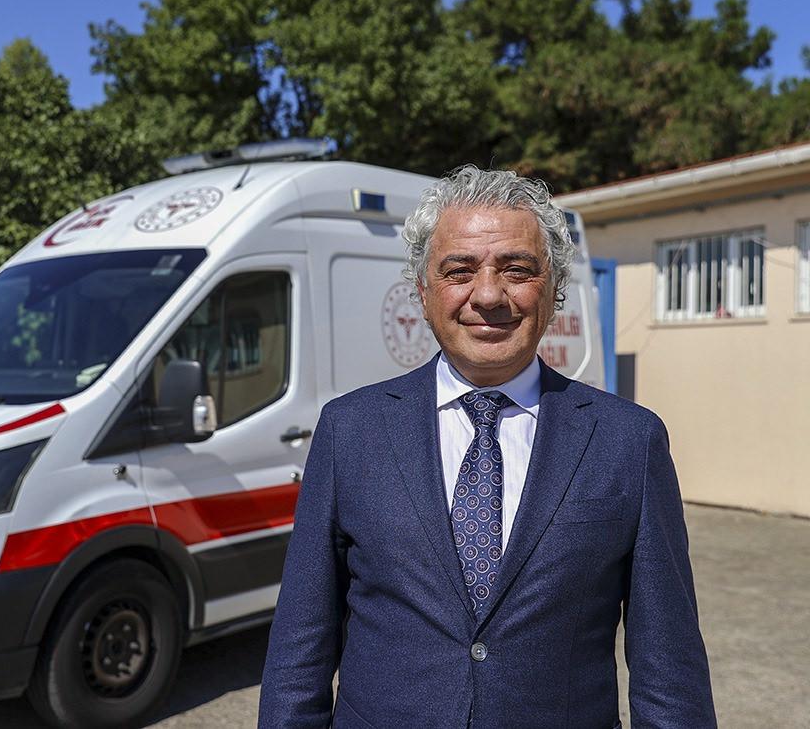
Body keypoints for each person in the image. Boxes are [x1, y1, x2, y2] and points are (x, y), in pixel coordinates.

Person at [258, 166, 716, 728]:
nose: (490, 294)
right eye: (459, 270)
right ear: (423, 292)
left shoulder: (628, 441)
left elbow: (669, 671)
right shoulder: (350, 430)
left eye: (517, 269)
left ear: (554, 288)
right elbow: (299, 649)